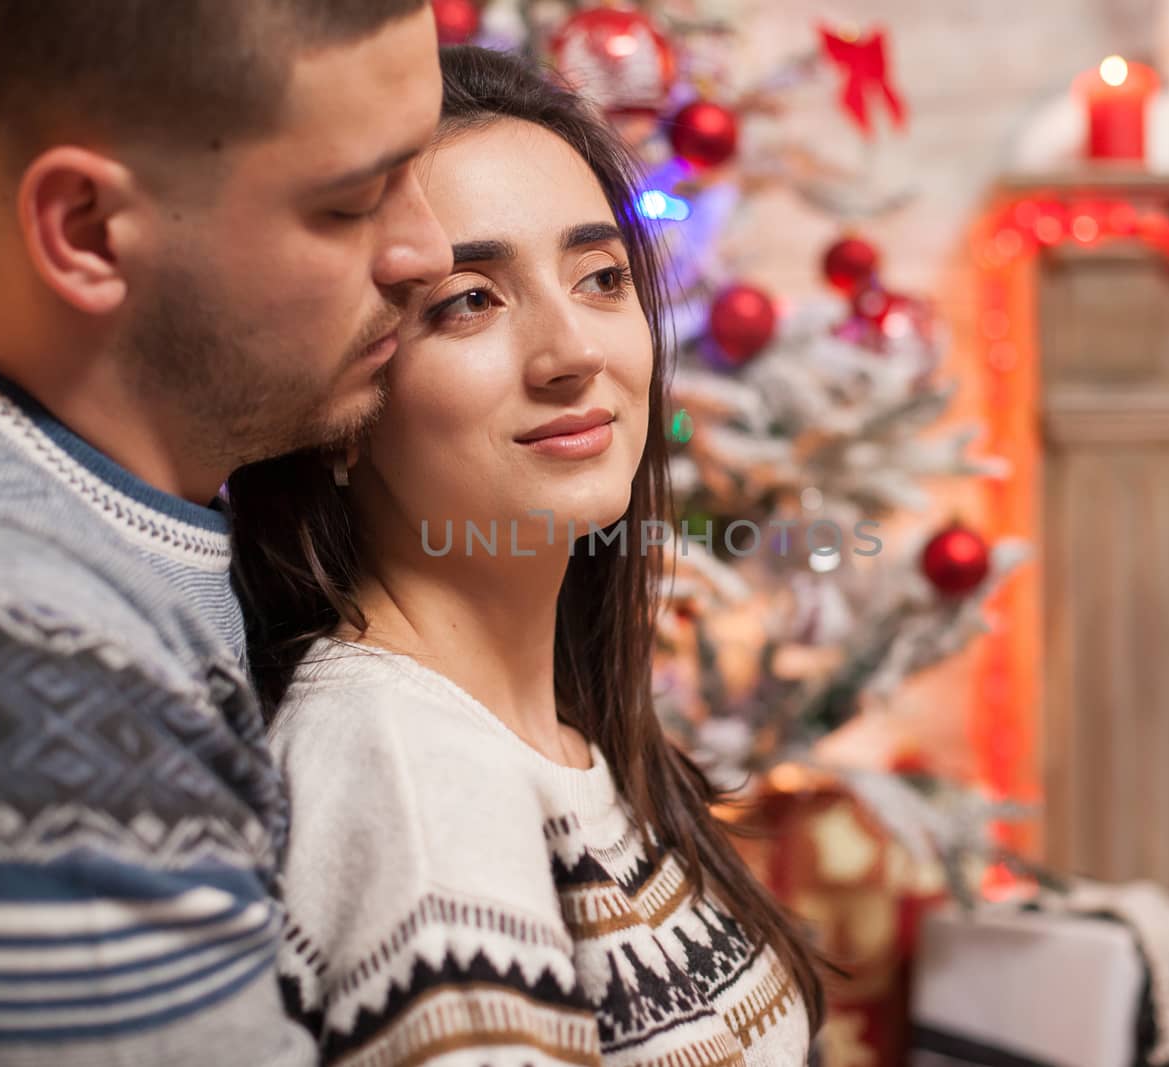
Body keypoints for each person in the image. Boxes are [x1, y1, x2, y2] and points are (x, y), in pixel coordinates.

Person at [0, 2, 451, 1063]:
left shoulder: (101, 515)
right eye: (354, 202)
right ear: (85, 229)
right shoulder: (0, 672)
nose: (425, 251)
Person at [227, 46, 823, 1066]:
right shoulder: (402, 770)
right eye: (469, 299)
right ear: (340, 407)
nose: (573, 352)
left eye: (599, 277)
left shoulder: (571, 736)